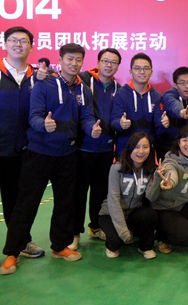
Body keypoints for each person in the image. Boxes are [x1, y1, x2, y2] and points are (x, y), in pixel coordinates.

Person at [1, 43, 101, 275]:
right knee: (26, 205)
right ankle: (13, 252)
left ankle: (59, 246)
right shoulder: (44, 85)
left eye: (78, 60)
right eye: (69, 59)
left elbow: (86, 117)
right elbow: (34, 116)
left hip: (67, 154)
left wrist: (91, 129)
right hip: (38, 153)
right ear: (60, 60)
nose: (74, 63)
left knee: (65, 203)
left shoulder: (83, 90)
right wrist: (42, 125)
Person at [0, 26, 46, 264]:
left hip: (24, 150)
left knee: (16, 200)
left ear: (31, 46)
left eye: (24, 41)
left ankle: (20, 242)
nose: (18, 44)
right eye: (13, 40)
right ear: (5, 43)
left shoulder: (38, 77)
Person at [71, 48, 122, 250]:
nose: (109, 65)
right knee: (78, 193)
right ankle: (74, 232)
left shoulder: (119, 89)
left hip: (106, 149)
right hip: (83, 148)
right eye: (105, 61)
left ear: (118, 66)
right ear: (98, 62)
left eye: (113, 62)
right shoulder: (82, 80)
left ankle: (96, 227)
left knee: (100, 193)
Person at [146, 125, 188, 253]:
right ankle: (160, 238)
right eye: (185, 140)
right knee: (187, 237)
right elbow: (171, 172)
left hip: (183, 205)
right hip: (166, 209)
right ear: (178, 142)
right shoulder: (170, 161)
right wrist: (170, 183)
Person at [98, 132, 158, 259]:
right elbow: (113, 201)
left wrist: (157, 179)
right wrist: (123, 232)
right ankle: (113, 235)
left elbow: (151, 197)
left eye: (145, 147)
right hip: (109, 213)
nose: (141, 151)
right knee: (116, 242)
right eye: (137, 147)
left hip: (132, 213)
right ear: (130, 148)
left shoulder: (150, 170)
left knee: (150, 214)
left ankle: (145, 247)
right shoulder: (117, 168)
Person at [111, 53, 162, 157]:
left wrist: (163, 122)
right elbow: (113, 122)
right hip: (125, 149)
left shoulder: (157, 96)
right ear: (131, 72)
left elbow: (159, 122)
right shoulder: (121, 94)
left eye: (146, 68)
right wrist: (120, 123)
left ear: (151, 72)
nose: (142, 72)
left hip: (148, 150)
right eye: (137, 68)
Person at [155, 66, 188, 159]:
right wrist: (181, 112)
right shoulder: (169, 94)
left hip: (184, 141)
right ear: (175, 85)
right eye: (182, 83)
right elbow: (172, 103)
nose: (187, 86)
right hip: (166, 141)